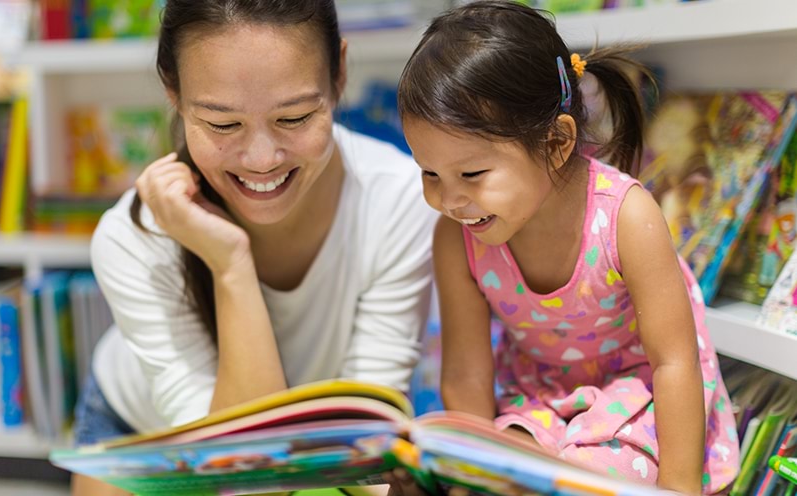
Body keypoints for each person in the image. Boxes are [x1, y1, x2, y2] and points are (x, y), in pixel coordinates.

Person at [71, 1, 437, 494]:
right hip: (140, 432)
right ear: (173, 92)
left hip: (308, 449)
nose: (262, 159)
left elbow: (361, 447)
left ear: (339, 74)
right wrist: (229, 264)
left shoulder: (396, 203)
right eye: (223, 125)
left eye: (294, 117)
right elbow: (243, 482)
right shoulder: (134, 238)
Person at [391, 1, 740, 495]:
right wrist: (468, 476)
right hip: (539, 401)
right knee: (508, 479)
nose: (448, 200)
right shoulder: (456, 236)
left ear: (556, 142)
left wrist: (678, 487)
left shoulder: (627, 217)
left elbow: (674, 363)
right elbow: (468, 375)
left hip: (639, 399)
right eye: (429, 172)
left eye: (471, 174)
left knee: (587, 481)